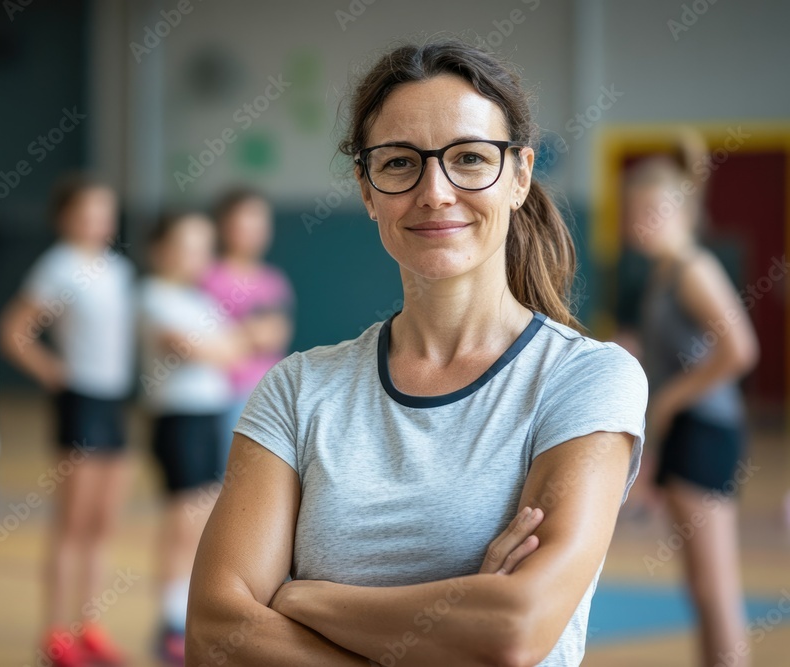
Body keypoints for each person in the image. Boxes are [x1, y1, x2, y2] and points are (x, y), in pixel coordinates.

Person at [186, 40, 649, 666]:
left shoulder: (586, 379)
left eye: (469, 158)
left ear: (520, 176)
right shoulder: (297, 390)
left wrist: (302, 599)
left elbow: (515, 629)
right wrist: (459, 621)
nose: (434, 191)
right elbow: (217, 634)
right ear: (367, 188)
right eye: (401, 163)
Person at [622, 135, 759, 667]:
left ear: (680, 210)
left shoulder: (693, 269)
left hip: (705, 432)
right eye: (634, 212)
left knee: (716, 588)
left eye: (651, 211)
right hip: (686, 433)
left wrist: (673, 397)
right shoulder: (663, 272)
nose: (639, 223)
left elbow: (741, 349)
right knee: (702, 590)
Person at [0, 173, 136, 667]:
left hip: (116, 402)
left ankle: (89, 626)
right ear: (65, 217)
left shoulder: (117, 269)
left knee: (102, 523)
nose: (97, 221)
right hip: (80, 401)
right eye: (86, 211)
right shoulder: (56, 267)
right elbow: (14, 331)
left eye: (104, 211)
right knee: (73, 524)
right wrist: (55, 373)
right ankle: (55, 633)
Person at [137, 211, 252, 665]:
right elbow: (202, 347)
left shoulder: (200, 301)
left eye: (205, 247)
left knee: (204, 520)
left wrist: (224, 347)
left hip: (209, 417)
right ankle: (168, 620)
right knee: (182, 523)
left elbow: (234, 350)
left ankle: (186, 613)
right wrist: (222, 347)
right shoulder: (153, 296)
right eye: (188, 246)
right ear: (161, 250)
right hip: (177, 420)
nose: (199, 257)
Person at [201, 188, 295, 468]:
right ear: (224, 227)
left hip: (273, 394)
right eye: (245, 223)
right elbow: (209, 341)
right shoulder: (208, 277)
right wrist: (249, 336)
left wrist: (244, 335)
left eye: (260, 223)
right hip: (226, 396)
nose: (253, 232)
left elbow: (279, 334)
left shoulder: (274, 280)